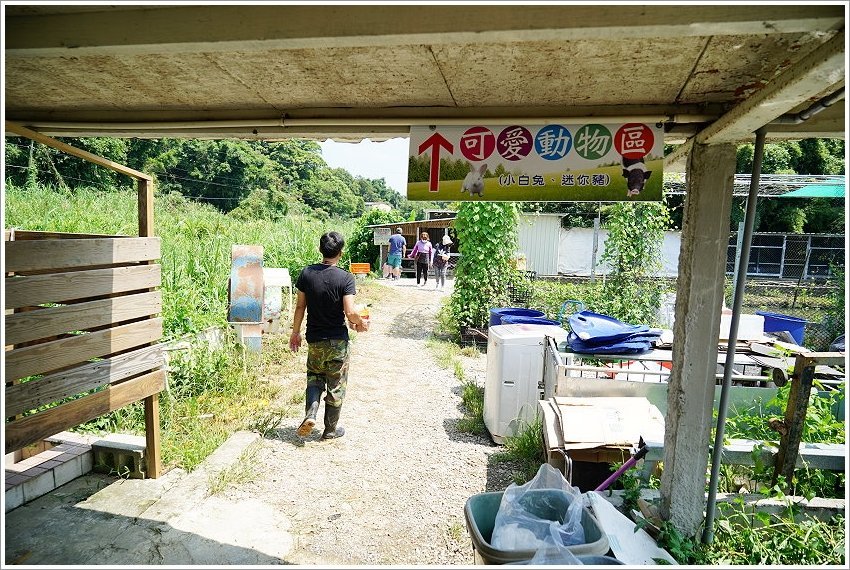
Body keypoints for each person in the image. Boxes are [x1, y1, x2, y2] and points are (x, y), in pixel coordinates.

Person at [290, 231, 369, 440]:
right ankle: (330, 430)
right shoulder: (345, 277)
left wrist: (295, 333)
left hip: (315, 339)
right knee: (336, 384)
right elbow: (350, 312)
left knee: (315, 378)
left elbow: (300, 307)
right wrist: (361, 322)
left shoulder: (306, 273)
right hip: (337, 342)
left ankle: (310, 414)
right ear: (340, 253)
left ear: (320, 250)